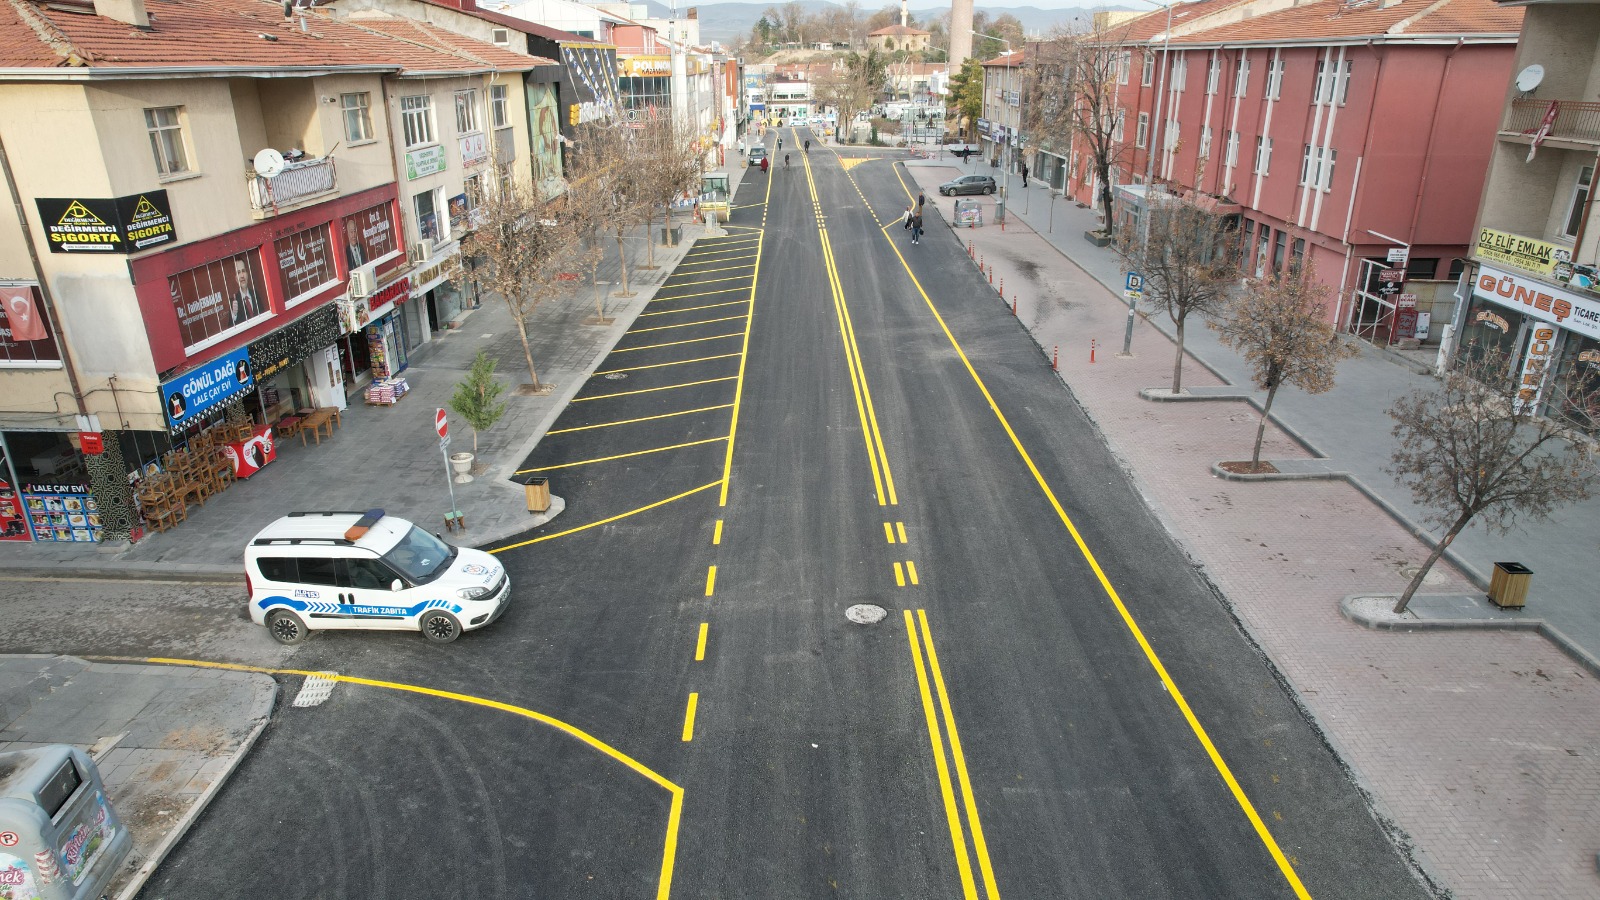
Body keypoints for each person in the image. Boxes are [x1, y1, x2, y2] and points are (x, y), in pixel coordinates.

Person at [228, 258, 263, 326]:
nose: (242, 276)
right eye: (238, 272)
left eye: (243, 271)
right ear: (236, 278)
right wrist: (234, 315)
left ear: (247, 274)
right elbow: (231, 327)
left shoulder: (255, 294)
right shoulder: (233, 302)